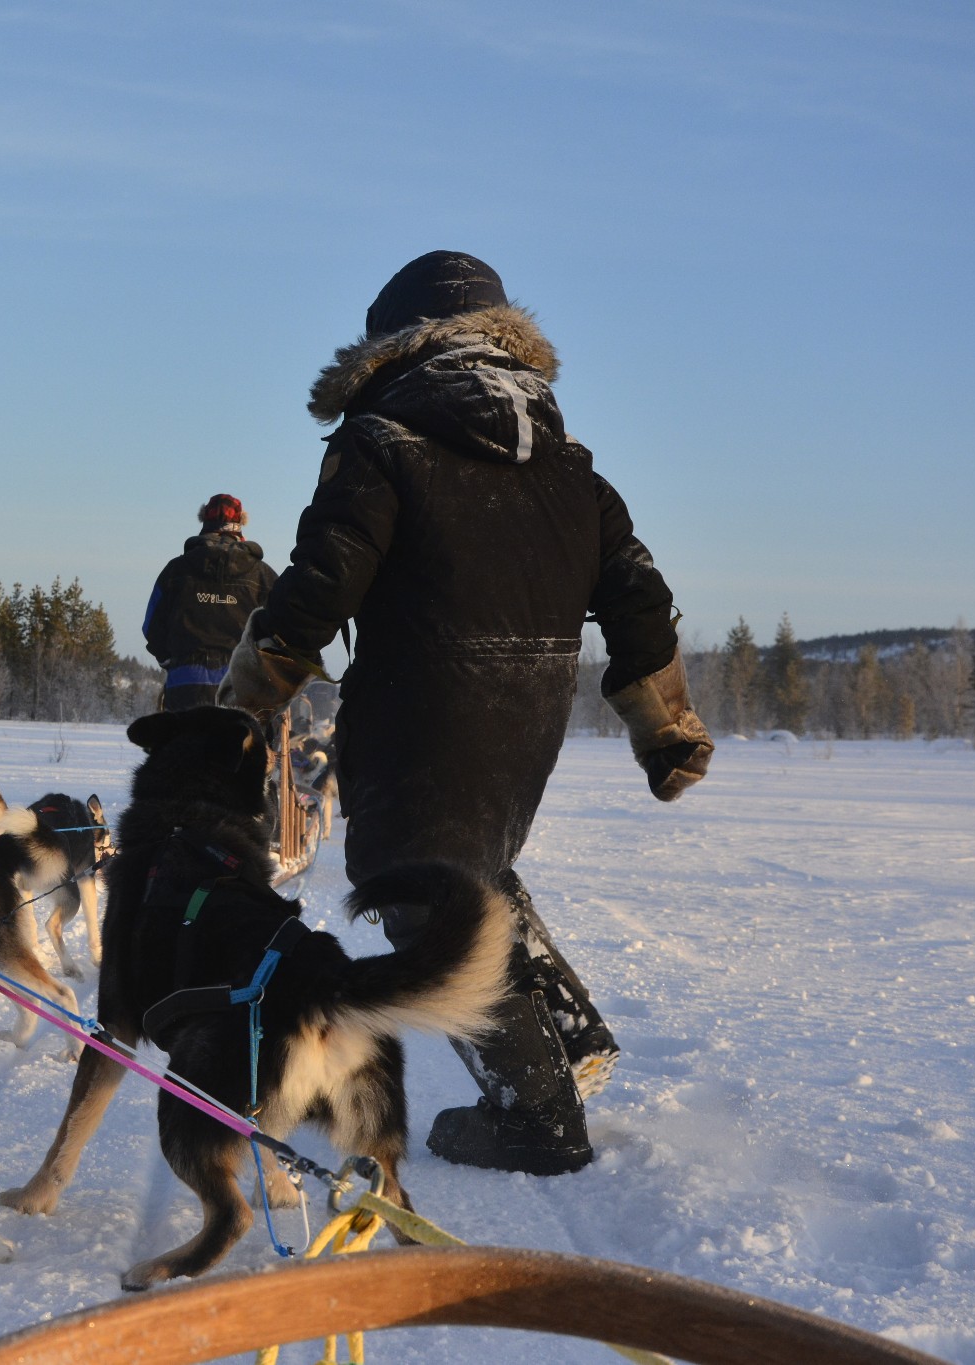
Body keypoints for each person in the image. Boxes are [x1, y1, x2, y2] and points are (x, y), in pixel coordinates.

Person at [220, 250, 713, 1176]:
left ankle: (538, 1117)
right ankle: (565, 1038)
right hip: (528, 711)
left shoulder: (380, 444)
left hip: (421, 702)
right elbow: (640, 598)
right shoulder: (572, 469)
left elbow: (320, 585)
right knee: (475, 868)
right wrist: (665, 723)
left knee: (419, 890)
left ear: (391, 347)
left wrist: (245, 706)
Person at [141, 494, 279, 711]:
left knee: (186, 744)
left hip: (185, 684)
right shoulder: (263, 576)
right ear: (239, 526)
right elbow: (283, 633)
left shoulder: (175, 571)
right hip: (243, 686)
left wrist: (171, 662)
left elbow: (152, 628)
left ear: (205, 523)